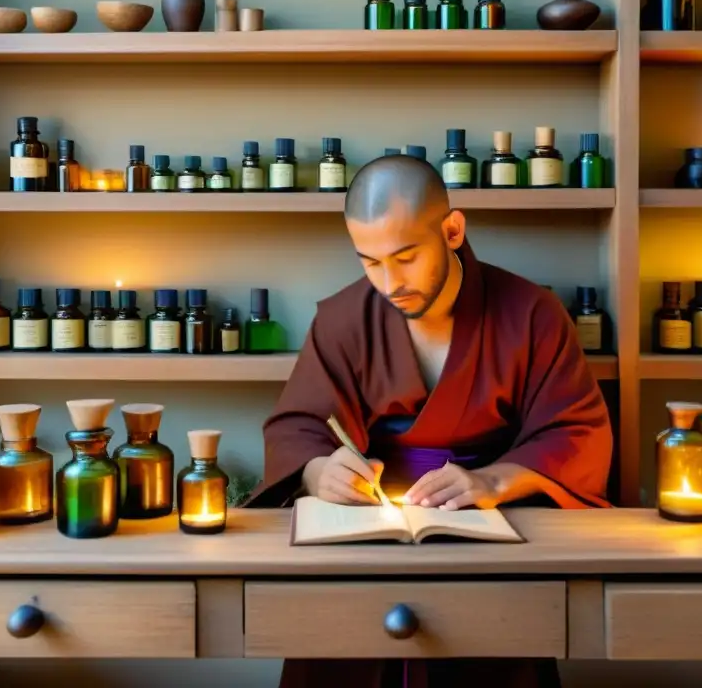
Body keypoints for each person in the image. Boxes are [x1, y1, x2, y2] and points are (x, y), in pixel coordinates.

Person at [247, 155, 613, 688]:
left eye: (406, 256)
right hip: (364, 543)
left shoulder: (532, 312)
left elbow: (574, 432)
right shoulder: (343, 318)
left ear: (452, 230)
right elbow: (296, 427)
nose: (390, 282)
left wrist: (494, 479)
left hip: (489, 539)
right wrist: (318, 470)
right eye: (370, 262)